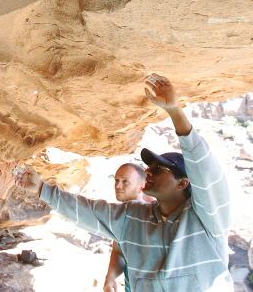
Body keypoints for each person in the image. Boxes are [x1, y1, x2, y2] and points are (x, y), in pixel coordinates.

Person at [17, 73, 233, 291]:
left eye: (158, 169)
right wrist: (42, 189)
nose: (148, 172)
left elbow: (204, 169)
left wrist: (175, 111)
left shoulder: (206, 218)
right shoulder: (134, 216)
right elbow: (89, 212)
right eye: (148, 168)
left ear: (183, 183)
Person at [103, 163, 154, 292]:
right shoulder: (122, 215)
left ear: (141, 186)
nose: (118, 186)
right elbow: (119, 251)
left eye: (125, 182)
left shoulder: (153, 214)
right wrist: (110, 277)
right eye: (116, 180)